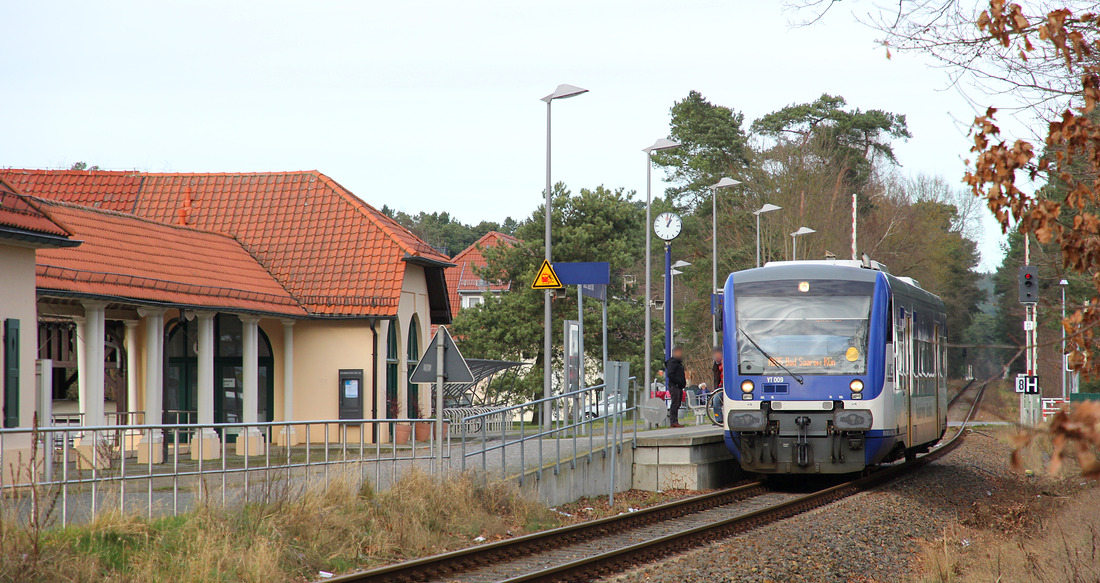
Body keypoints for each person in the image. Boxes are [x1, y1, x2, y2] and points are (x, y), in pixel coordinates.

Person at [665, 347, 687, 428]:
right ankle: (673, 421)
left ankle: (675, 421)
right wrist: (678, 382)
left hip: (679, 386)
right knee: (675, 403)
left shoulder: (678, 363)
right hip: (675, 386)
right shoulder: (672, 363)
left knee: (677, 403)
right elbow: (670, 374)